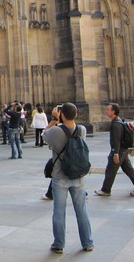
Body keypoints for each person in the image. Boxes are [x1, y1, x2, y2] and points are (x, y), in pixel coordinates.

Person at [42, 103, 93, 254]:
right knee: (81, 210)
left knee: (59, 211)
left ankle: (59, 244)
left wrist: (54, 119)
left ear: (62, 114)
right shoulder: (82, 130)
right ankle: (88, 242)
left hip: (60, 177)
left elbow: (44, 134)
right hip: (78, 175)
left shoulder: (56, 131)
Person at [94, 103, 134, 197]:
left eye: (108, 109)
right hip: (123, 150)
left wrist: (115, 153)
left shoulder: (116, 124)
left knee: (110, 169)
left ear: (113, 111)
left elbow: (117, 139)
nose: (106, 111)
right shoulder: (117, 121)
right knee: (128, 169)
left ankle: (106, 190)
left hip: (119, 150)